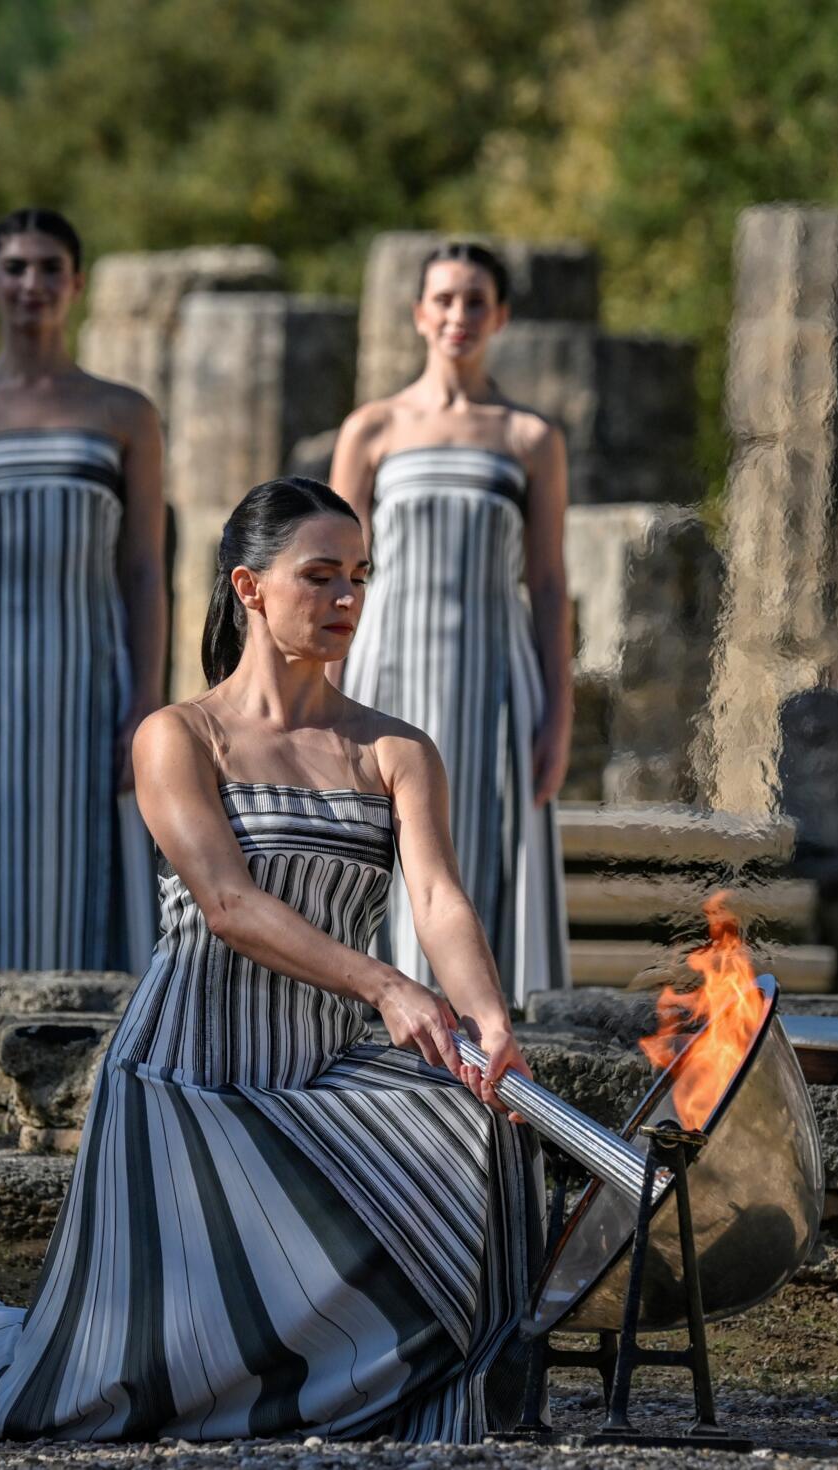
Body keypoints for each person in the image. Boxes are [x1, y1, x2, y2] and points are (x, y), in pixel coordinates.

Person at [0, 478, 545, 1443]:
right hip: (190, 1077)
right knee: (102, 1404)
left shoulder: (397, 750)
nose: (347, 597)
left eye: (359, 576)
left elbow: (437, 899)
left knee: (481, 1127)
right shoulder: (178, 736)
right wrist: (385, 982)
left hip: (318, 1069)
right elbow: (229, 906)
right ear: (250, 587)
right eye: (320, 576)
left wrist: (488, 1022)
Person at [331, 240, 571, 1006]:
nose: (458, 315)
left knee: (484, 853)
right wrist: (321, 699)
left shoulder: (530, 439)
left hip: (495, 682)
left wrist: (557, 719)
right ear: (418, 314)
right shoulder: (371, 430)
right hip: (386, 669)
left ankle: (494, 1041)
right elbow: (332, 573)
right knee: (387, 846)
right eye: (443, 299)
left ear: (498, 316)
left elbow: (549, 580)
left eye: (474, 300)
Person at [0, 208, 165, 972]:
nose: (30, 284)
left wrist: (147, 702)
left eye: (47, 269)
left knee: (90, 858)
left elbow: (143, 565)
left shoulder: (124, 412)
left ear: (75, 285)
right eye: (14, 268)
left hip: (89, 670)